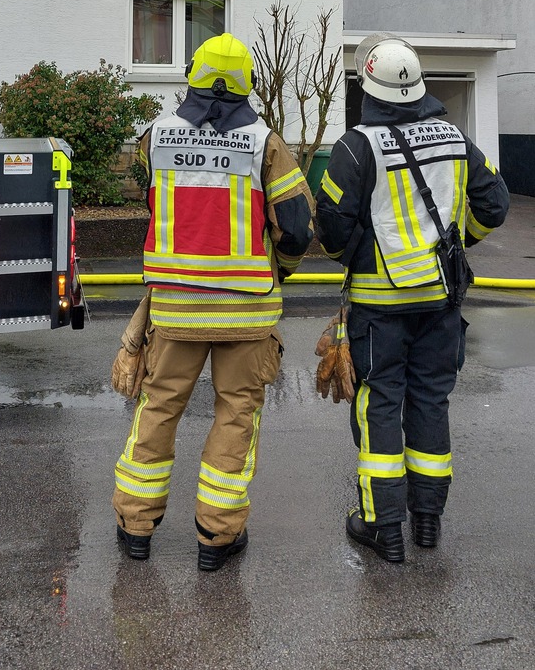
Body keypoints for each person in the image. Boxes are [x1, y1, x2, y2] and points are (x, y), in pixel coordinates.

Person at [112, 32, 314, 570]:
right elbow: (296, 229)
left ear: (193, 76)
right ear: (248, 81)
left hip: (174, 311)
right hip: (247, 315)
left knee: (157, 409)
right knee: (235, 416)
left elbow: (153, 194)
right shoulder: (266, 143)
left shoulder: (155, 135)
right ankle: (215, 538)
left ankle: (136, 528)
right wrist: (278, 273)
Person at [315, 35, 509, 563]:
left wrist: (358, 256)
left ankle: (384, 528)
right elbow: (494, 205)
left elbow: (331, 227)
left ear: (369, 89)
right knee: (430, 403)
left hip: (380, 310)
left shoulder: (356, 147)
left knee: (379, 405)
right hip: (442, 303)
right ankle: (427, 519)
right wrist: (456, 244)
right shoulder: (453, 136)